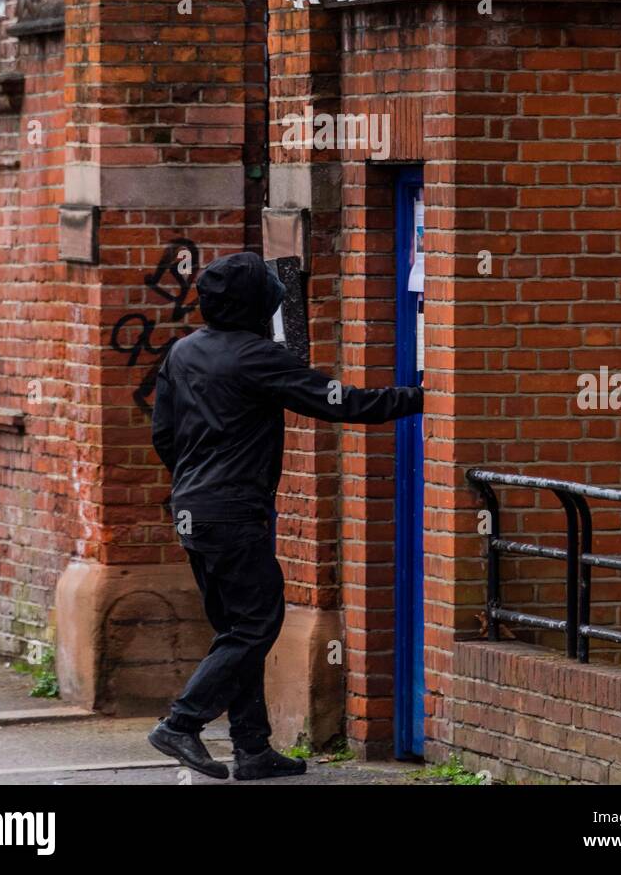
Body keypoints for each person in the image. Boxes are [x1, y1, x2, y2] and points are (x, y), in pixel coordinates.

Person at [149, 250, 422, 782]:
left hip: (191, 509)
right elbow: (342, 402)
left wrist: (195, 479)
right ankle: (181, 723)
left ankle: (252, 749)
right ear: (255, 303)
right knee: (255, 625)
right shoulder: (257, 357)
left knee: (234, 628)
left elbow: (163, 434)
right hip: (233, 511)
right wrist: (422, 396)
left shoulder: (182, 353)